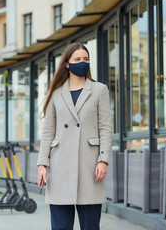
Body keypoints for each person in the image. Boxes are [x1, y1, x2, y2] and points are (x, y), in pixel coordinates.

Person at [37, 42, 112, 230]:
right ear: (67, 64)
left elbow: (105, 128)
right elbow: (48, 132)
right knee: (61, 227)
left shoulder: (99, 90)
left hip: (90, 166)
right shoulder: (56, 93)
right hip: (60, 165)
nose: (83, 63)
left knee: (90, 227)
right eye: (77, 59)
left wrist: (103, 160)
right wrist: (42, 164)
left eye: (86, 59)